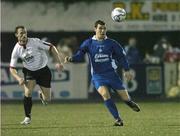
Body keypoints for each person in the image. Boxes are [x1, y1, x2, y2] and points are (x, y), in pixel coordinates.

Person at [65, 20, 140, 126]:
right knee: (105, 94)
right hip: (97, 76)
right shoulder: (88, 43)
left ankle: (129, 102)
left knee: (126, 98)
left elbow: (121, 57)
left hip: (112, 75)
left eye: (104, 28)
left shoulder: (112, 43)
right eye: (100, 28)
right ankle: (118, 119)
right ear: (95, 29)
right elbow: (79, 55)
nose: (102, 30)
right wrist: (71, 59)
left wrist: (127, 70)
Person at [9, 26, 64, 125]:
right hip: (29, 72)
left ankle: (42, 96)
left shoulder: (35, 41)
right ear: (16, 35)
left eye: (25, 32)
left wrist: (58, 62)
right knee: (28, 92)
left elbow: (52, 47)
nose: (24, 35)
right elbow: (12, 68)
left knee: (47, 99)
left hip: (43, 71)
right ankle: (27, 117)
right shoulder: (16, 49)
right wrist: (18, 78)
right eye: (21, 33)